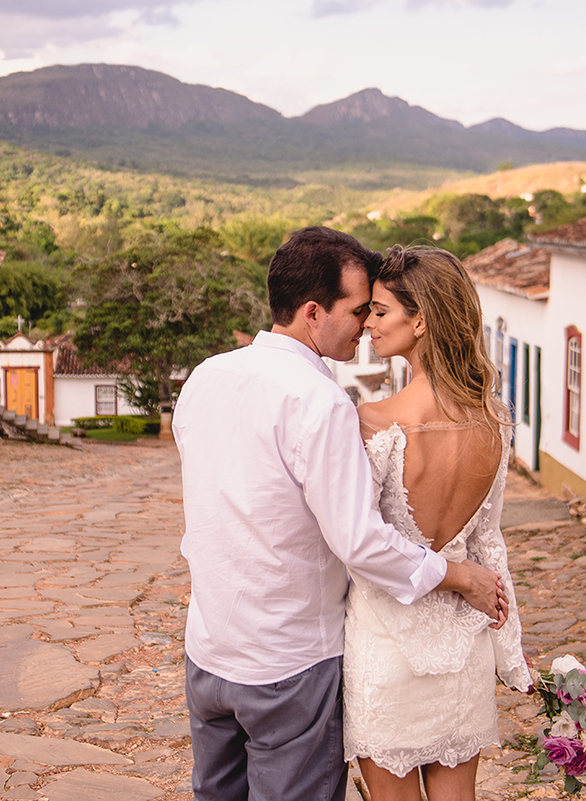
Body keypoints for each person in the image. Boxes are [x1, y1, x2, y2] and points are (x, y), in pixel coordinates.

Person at [172, 227, 508, 801]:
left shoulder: (206, 377)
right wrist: (458, 576)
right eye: (358, 310)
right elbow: (359, 540)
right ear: (312, 311)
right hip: (291, 660)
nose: (365, 325)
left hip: (210, 651)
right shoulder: (320, 401)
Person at [343, 245, 532, 801]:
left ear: (420, 320)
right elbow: (488, 543)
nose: (368, 324)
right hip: (463, 646)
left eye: (379, 311)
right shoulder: (494, 420)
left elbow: (360, 544)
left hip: (385, 641)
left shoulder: (373, 421)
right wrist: (509, 652)